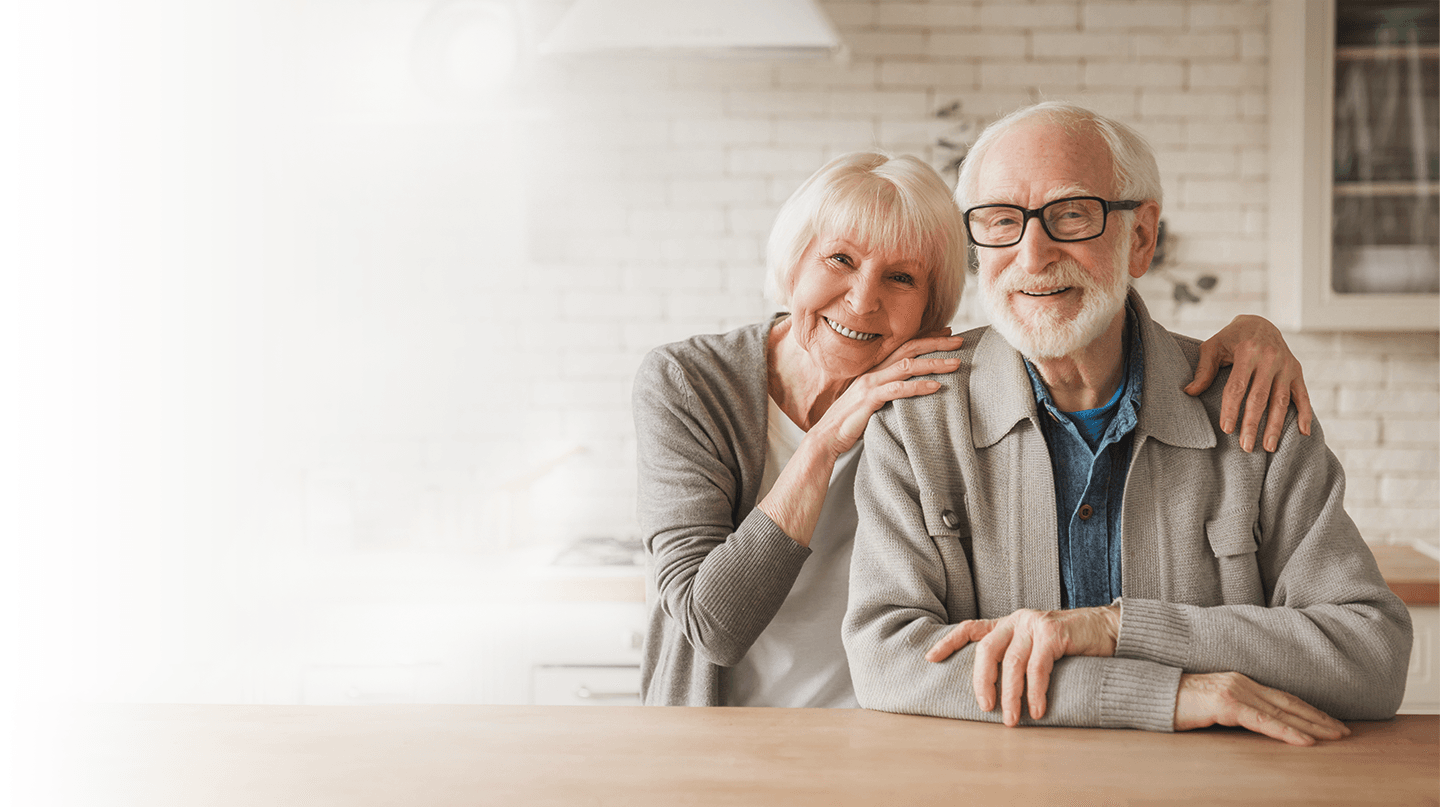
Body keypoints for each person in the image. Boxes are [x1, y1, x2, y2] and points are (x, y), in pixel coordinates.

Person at [634, 150, 1313, 708]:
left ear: (933, 312)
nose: (863, 298)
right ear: (794, 260)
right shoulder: (689, 381)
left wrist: (1256, 333)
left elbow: (1075, 329)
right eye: (838, 259)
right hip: (720, 732)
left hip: (891, 730)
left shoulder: (931, 391)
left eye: (900, 277)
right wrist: (822, 444)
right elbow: (711, 625)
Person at [842, 102, 1412, 743]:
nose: (1032, 256)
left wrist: (1117, 629)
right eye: (1002, 221)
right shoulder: (916, 419)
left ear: (1140, 237)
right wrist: (1163, 694)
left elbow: (1371, 657)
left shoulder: (1252, 407)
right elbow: (888, 661)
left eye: (1071, 215)